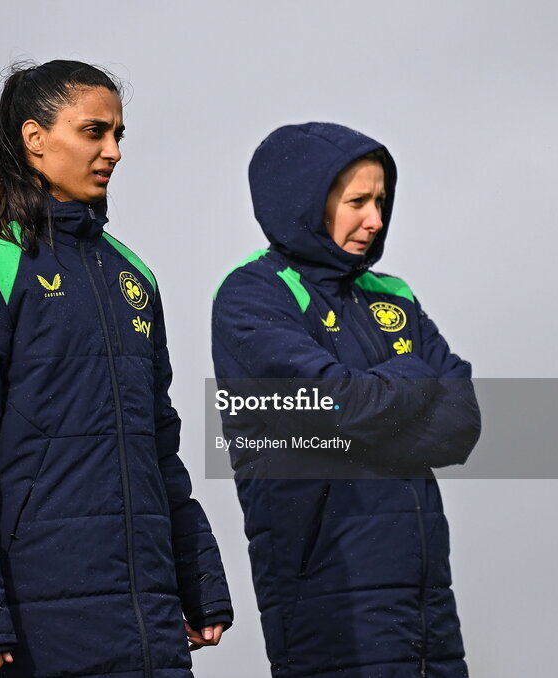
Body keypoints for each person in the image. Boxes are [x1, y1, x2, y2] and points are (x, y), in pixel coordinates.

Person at [0, 60, 231, 678]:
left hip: (149, 630)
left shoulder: (132, 275)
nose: (113, 151)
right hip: (31, 634)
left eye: (118, 135)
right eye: (93, 132)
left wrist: (198, 581)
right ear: (35, 138)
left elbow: (159, 448)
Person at [212, 122, 481, 677]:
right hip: (328, 597)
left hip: (428, 605)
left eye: (380, 200)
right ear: (304, 201)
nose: (376, 220)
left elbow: (462, 421)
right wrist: (414, 375)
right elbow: (334, 404)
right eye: (357, 201)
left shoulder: (393, 295)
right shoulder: (252, 294)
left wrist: (363, 415)